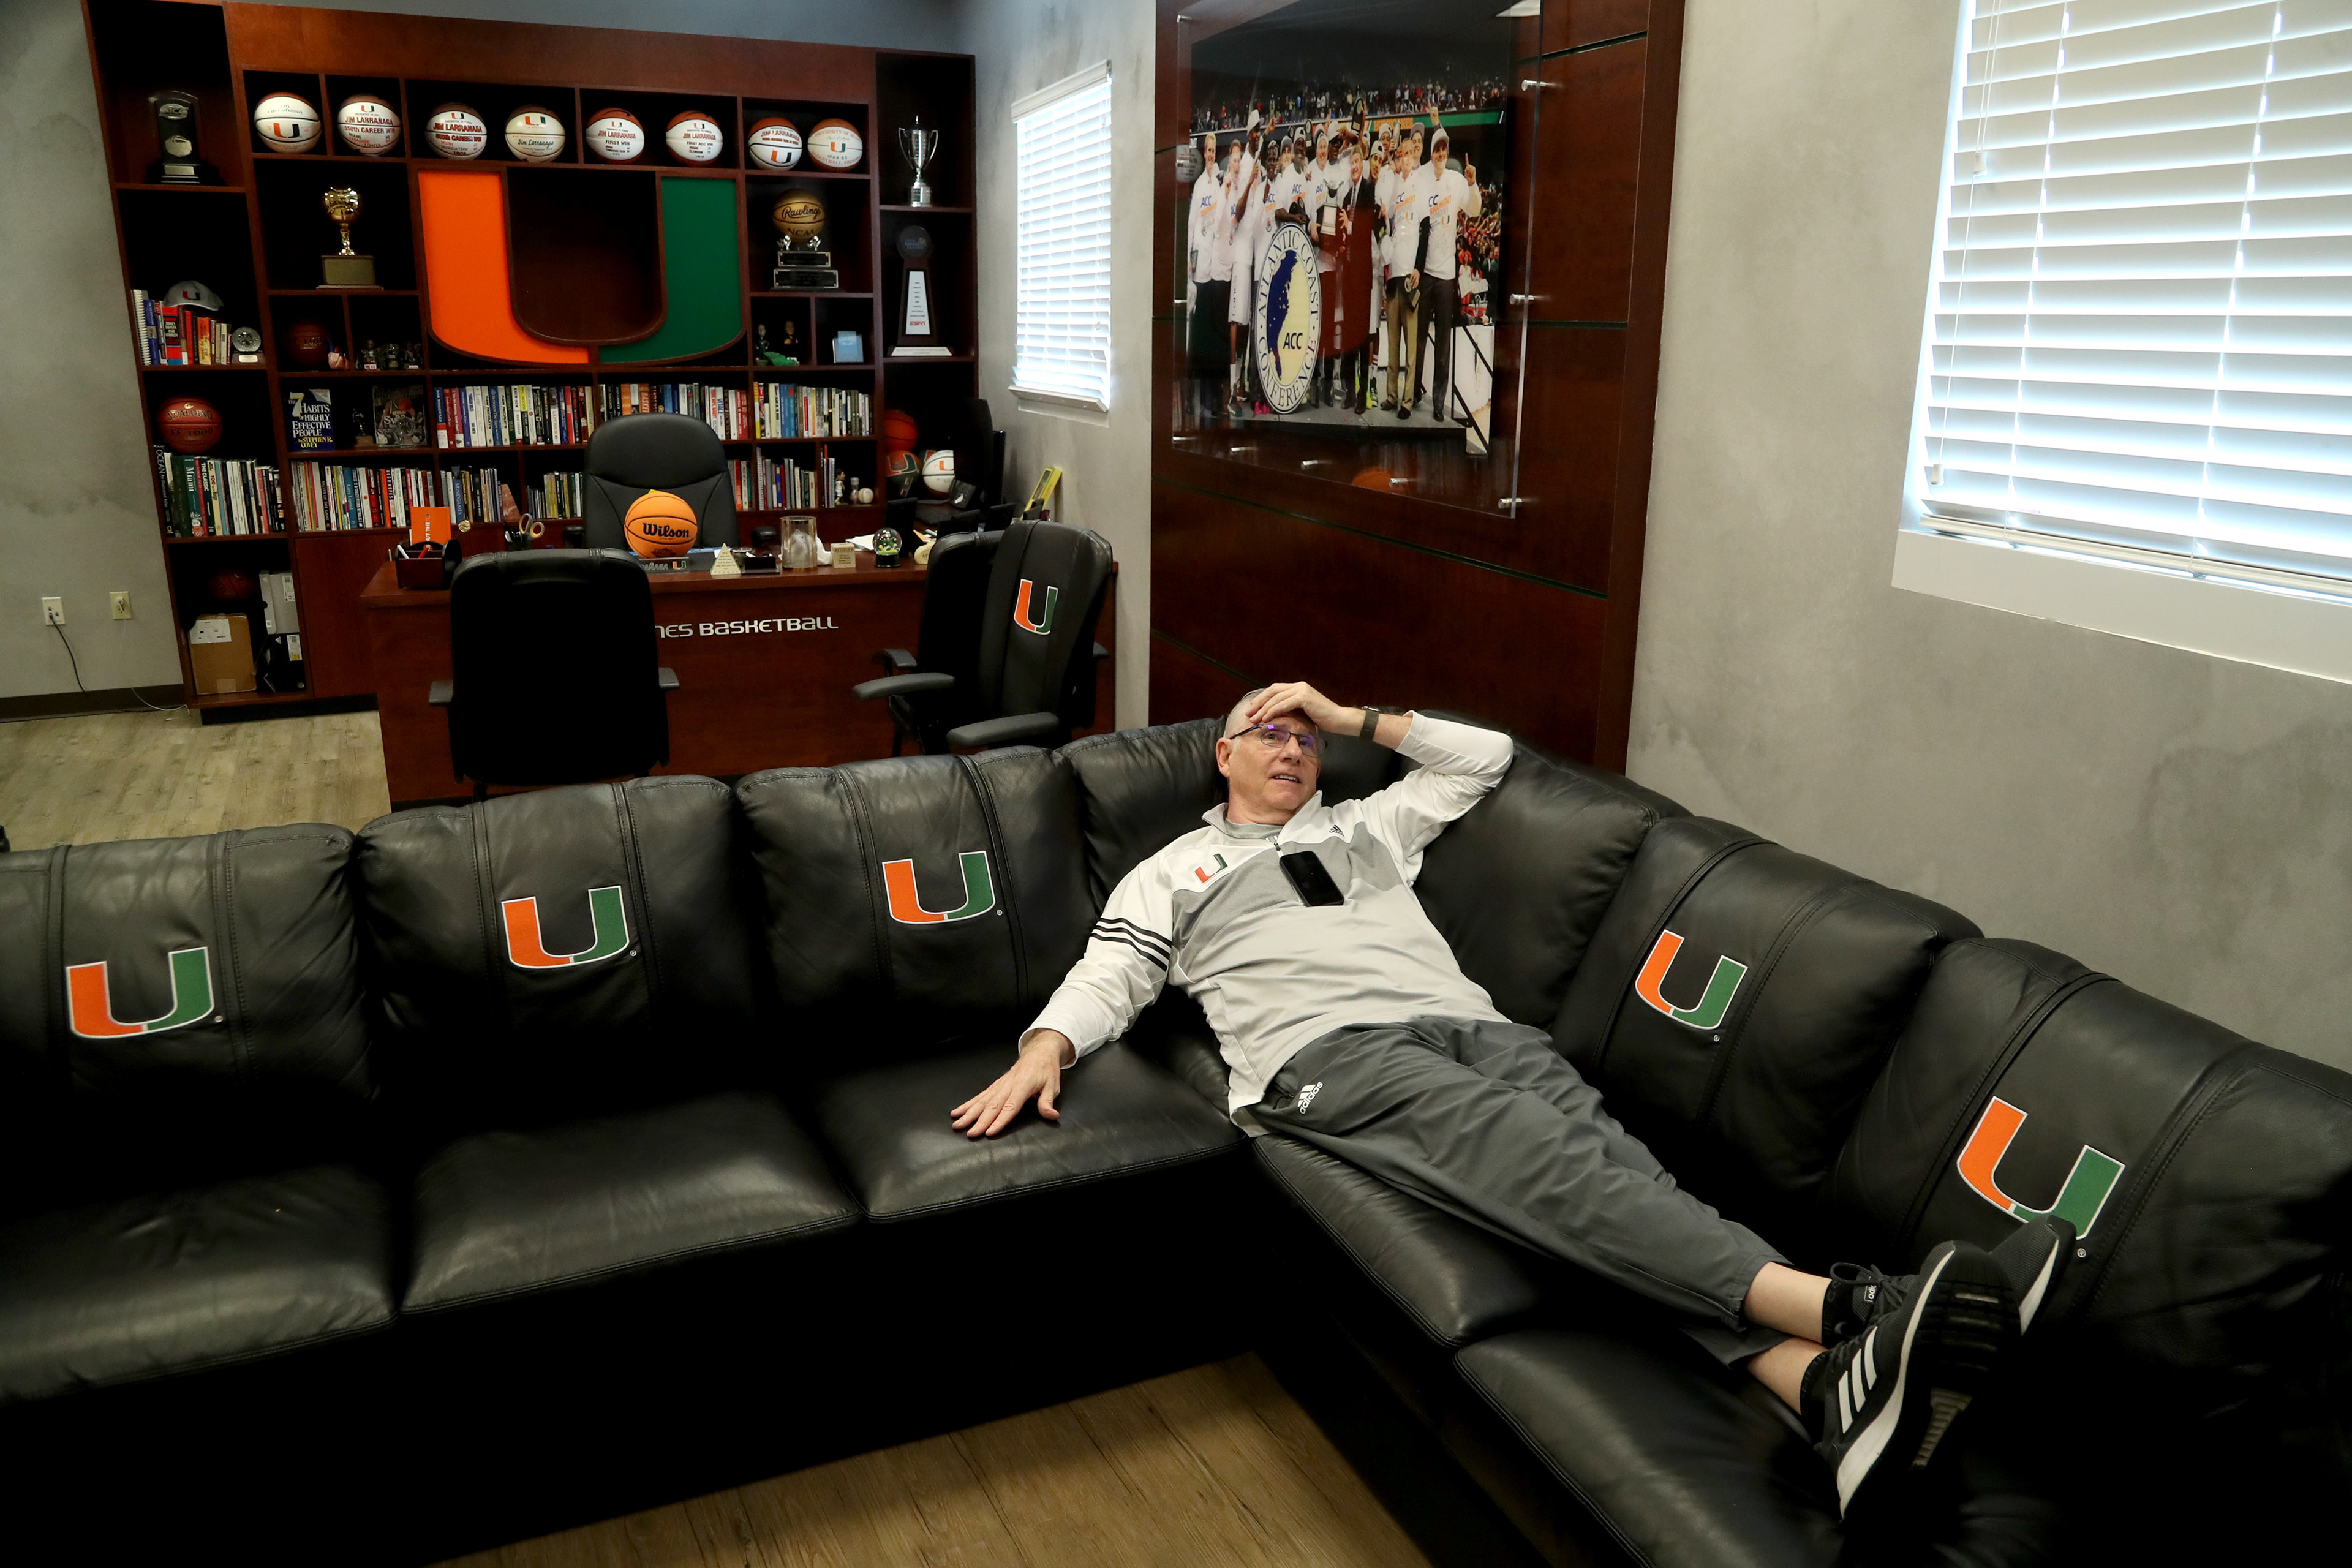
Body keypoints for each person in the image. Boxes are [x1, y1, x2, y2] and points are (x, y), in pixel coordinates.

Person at [953, 681, 2071, 1523]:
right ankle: (1857, 1311)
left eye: (1304, 735)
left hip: (1484, 1031)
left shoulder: (1367, 825)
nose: (1292, 746)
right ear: (1223, 755)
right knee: (1552, 1164)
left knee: (1615, 1188)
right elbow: (1115, 970)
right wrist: (1045, 1047)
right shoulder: (1175, 869)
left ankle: (1826, 1394)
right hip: (1328, 1054)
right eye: (1270, 731)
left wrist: (1359, 714)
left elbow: (1482, 761)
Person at [1408, 127, 1480, 426]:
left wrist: (1474, 185)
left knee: (1442, 345)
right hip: (1425, 273)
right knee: (1419, 342)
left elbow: (1474, 211)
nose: (1440, 154)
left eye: (1443, 150)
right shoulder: (1424, 178)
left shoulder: (1456, 180)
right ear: (1431, 153)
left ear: (1447, 152)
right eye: (1436, 149)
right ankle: (1412, 393)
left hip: (1447, 276)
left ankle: (1438, 403)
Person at [1381, 126, 1429, 416]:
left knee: (1411, 344)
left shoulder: (1420, 186)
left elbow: (1425, 229)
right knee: (1393, 344)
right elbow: (1388, 227)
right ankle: (1391, 395)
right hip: (1393, 275)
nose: (1407, 159)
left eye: (1411, 154)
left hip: (1410, 275)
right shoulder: (1395, 187)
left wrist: (1419, 269)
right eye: (1403, 154)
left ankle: (1408, 401)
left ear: (1415, 156)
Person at [1186, 131, 1234, 421]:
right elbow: (1193, 225)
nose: (1211, 154)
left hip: (1219, 270)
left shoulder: (1221, 180)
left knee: (1218, 335)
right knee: (1202, 337)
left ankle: (1218, 397)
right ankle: (1204, 395)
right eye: (1208, 149)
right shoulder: (1199, 184)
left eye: (1215, 150)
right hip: (1201, 270)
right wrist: (1190, 264)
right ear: (1204, 152)